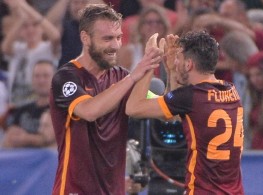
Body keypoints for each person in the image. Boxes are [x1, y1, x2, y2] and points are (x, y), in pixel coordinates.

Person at [49, 4, 162, 194]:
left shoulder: (122, 78)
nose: (116, 45)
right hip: (74, 189)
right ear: (86, 38)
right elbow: (89, 111)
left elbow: (156, 106)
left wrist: (176, 78)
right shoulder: (66, 78)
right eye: (107, 39)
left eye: (118, 38)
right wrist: (134, 76)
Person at [126, 31, 244, 194]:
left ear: (189, 64)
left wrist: (150, 63)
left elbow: (133, 108)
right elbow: (173, 115)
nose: (175, 61)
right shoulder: (231, 91)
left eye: (178, 58)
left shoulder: (190, 97)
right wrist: (173, 72)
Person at [1, 60, 56, 148]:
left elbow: (51, 138)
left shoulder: (61, 110)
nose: (41, 80)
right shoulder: (22, 109)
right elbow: (10, 135)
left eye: (46, 76)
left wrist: (26, 138)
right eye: (37, 76)